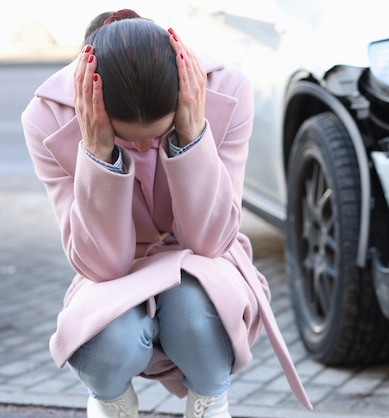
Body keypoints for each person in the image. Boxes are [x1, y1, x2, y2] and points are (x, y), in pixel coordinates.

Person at [21, 9, 312, 418]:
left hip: (205, 264)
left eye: (158, 135)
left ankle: (210, 402)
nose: (142, 151)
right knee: (108, 335)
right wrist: (99, 154)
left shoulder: (227, 89)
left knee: (194, 309)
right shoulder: (47, 119)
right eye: (126, 139)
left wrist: (192, 136)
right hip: (115, 273)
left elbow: (210, 241)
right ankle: (113, 404)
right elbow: (101, 265)